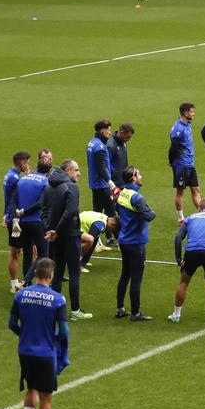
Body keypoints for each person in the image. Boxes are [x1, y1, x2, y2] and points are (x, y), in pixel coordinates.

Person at [9, 258, 68, 409]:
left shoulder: (20, 295)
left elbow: (12, 324)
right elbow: (63, 331)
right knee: (46, 399)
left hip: (25, 350)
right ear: (51, 275)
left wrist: (25, 334)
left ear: (35, 273)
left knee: (31, 388)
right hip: (45, 353)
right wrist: (53, 339)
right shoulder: (57, 299)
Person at [43, 160, 92, 321]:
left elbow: (43, 210)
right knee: (74, 273)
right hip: (70, 235)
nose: (79, 173)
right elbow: (70, 211)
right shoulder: (71, 187)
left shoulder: (50, 187)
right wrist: (57, 230)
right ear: (68, 170)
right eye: (76, 170)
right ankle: (75, 311)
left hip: (55, 237)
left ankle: (55, 309)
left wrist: (50, 229)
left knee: (57, 273)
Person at [168, 199, 205, 324]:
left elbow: (178, 237)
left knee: (184, 281)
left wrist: (178, 258)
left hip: (191, 251)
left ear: (199, 209)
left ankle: (176, 314)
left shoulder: (189, 218)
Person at [115, 166, 156, 321]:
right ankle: (135, 312)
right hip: (136, 243)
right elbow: (150, 216)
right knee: (136, 277)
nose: (141, 176)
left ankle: (120, 308)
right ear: (133, 178)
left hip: (124, 240)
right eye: (139, 174)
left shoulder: (122, 194)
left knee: (125, 274)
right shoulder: (137, 198)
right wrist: (150, 211)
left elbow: (117, 209)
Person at [11, 159, 52, 289]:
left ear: (36, 167)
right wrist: (24, 212)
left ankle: (26, 285)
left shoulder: (23, 179)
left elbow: (12, 202)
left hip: (23, 223)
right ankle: (27, 281)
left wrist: (15, 218)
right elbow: (40, 203)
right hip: (37, 222)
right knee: (43, 254)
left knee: (27, 253)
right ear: (48, 171)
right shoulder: (46, 182)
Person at [86, 119, 118, 247]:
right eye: (108, 130)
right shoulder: (99, 147)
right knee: (111, 214)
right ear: (102, 130)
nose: (110, 132)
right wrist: (110, 183)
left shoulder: (92, 143)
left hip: (95, 184)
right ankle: (121, 241)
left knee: (97, 213)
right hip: (102, 185)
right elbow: (101, 167)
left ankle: (96, 242)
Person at [169, 102, 201, 224]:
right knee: (180, 191)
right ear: (185, 113)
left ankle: (201, 213)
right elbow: (173, 147)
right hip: (181, 165)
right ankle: (181, 218)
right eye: (192, 111)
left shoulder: (188, 125)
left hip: (190, 163)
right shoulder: (178, 128)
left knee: (196, 189)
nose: (194, 114)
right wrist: (172, 160)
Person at [4, 151, 31, 292]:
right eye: (27, 162)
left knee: (18, 251)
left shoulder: (10, 175)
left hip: (12, 217)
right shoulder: (15, 178)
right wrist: (28, 176)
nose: (29, 165)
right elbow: (20, 195)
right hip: (16, 218)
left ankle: (17, 284)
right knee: (17, 252)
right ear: (22, 163)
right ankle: (16, 285)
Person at [108, 123, 135, 189]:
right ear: (122, 132)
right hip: (115, 185)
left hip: (123, 183)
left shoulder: (123, 142)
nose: (129, 139)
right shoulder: (110, 145)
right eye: (128, 137)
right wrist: (112, 185)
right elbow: (105, 166)